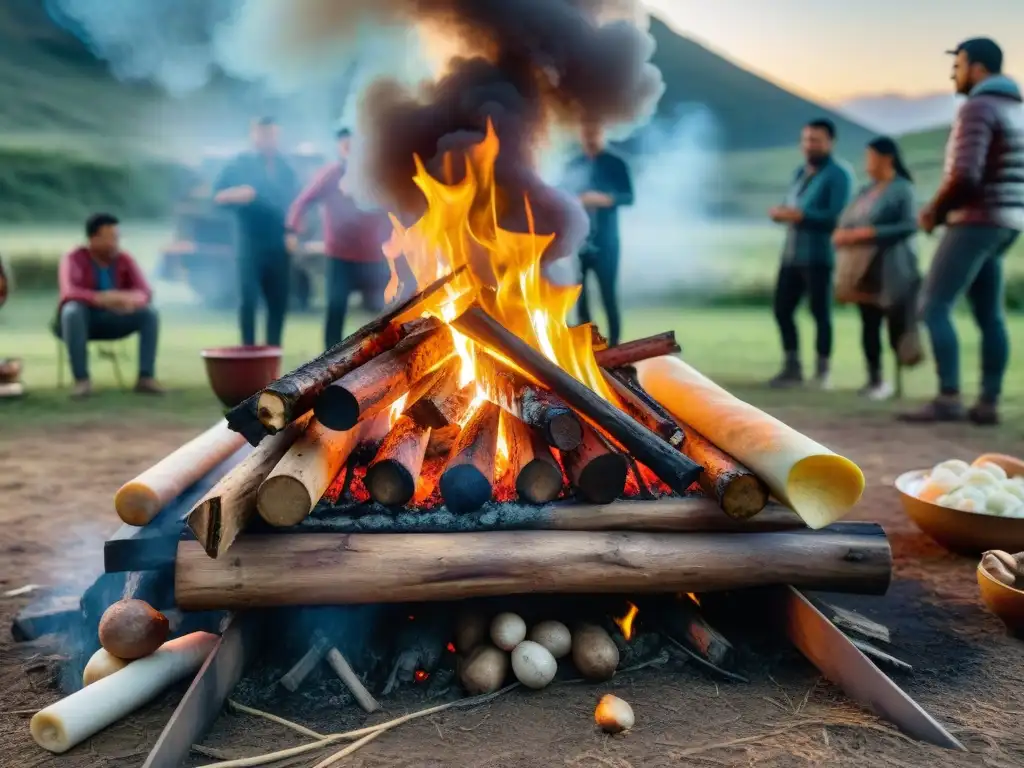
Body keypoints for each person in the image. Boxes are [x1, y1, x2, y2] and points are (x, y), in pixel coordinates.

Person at [903, 38, 1024, 425]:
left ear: (975, 66)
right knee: (990, 314)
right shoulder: (1017, 110)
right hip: (1007, 222)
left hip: (975, 220)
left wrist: (934, 212)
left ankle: (949, 397)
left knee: (933, 304)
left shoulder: (977, 107)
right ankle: (987, 402)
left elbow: (965, 175)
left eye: (957, 64)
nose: (953, 73)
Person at [286, 127, 392, 348]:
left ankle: (382, 356)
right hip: (340, 256)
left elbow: (393, 206)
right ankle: (329, 358)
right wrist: (292, 230)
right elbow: (302, 202)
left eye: (354, 145)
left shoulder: (375, 174)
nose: (350, 150)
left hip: (374, 257)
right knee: (336, 307)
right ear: (339, 148)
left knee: (382, 310)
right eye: (345, 145)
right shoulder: (331, 174)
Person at [832, 137, 922, 400]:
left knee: (896, 324)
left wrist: (869, 232)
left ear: (887, 158)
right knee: (868, 324)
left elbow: (909, 226)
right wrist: (843, 234)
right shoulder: (866, 190)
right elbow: (847, 219)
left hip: (892, 266)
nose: (867, 163)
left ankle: (897, 381)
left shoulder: (902, 189)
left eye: (870, 157)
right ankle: (874, 379)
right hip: (863, 269)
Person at [768, 118, 854, 389]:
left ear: (830, 142)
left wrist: (799, 215)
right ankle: (792, 368)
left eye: (815, 140)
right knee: (782, 309)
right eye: (806, 140)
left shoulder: (839, 174)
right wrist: (782, 213)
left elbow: (836, 216)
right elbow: (789, 205)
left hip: (819, 254)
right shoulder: (800, 173)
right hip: (792, 253)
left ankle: (822, 372)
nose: (809, 145)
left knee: (820, 313)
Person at [214, 117, 300, 348]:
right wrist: (237, 194)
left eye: (272, 135)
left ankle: (273, 353)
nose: (267, 139)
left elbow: (297, 204)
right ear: (254, 135)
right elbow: (218, 196)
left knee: (278, 302)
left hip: (280, 242)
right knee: (248, 301)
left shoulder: (286, 167)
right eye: (263, 134)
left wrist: (293, 232)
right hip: (249, 243)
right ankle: (248, 352)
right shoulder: (239, 164)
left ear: (277, 135)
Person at [57, 213, 164, 399]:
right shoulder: (74, 257)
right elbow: (69, 292)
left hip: (115, 318)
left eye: (117, 237)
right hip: (82, 320)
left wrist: (129, 300)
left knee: (149, 314)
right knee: (72, 310)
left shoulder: (124, 259)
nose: (115, 242)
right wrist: (103, 298)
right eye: (111, 238)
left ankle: (145, 378)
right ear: (93, 239)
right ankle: (82, 380)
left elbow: (145, 292)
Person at [562, 123, 634, 346]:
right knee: (579, 294)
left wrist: (602, 199)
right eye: (586, 133)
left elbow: (628, 197)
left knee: (608, 295)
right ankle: (588, 343)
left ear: (603, 133)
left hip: (607, 241)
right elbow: (562, 194)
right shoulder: (574, 164)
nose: (590, 138)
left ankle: (614, 344)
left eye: (594, 132)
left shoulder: (616, 163)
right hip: (579, 240)